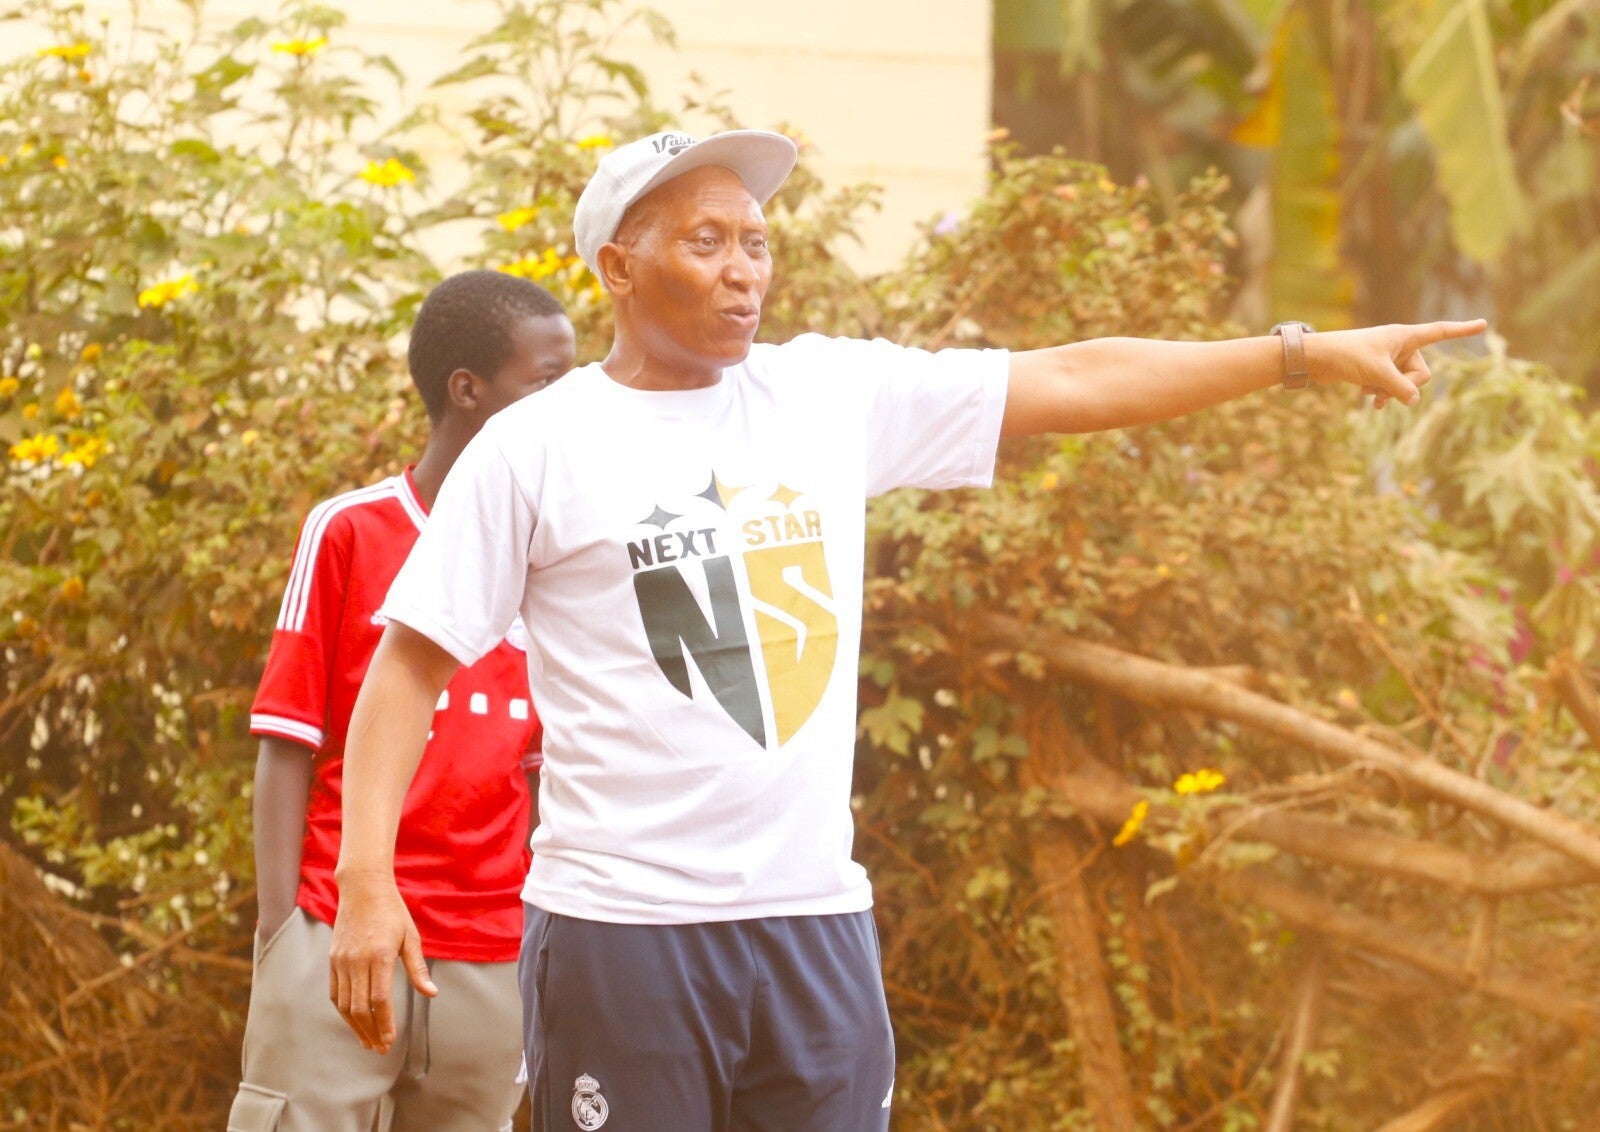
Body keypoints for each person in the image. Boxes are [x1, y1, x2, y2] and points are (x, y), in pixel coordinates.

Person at [326, 130, 1485, 1131]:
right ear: (618, 268)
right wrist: (367, 881)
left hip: (813, 921)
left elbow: (1075, 378)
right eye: (705, 241)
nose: (743, 271)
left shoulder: (823, 396)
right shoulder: (538, 447)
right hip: (625, 930)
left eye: (755, 241)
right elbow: (406, 668)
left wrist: (1296, 355)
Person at [228, 270, 577, 1132]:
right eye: (547, 382)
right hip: (337, 931)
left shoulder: (561, 558)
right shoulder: (351, 530)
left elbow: (545, 781)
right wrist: (284, 933)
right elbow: (286, 742)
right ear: (467, 390)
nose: (571, 407)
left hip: (493, 957)